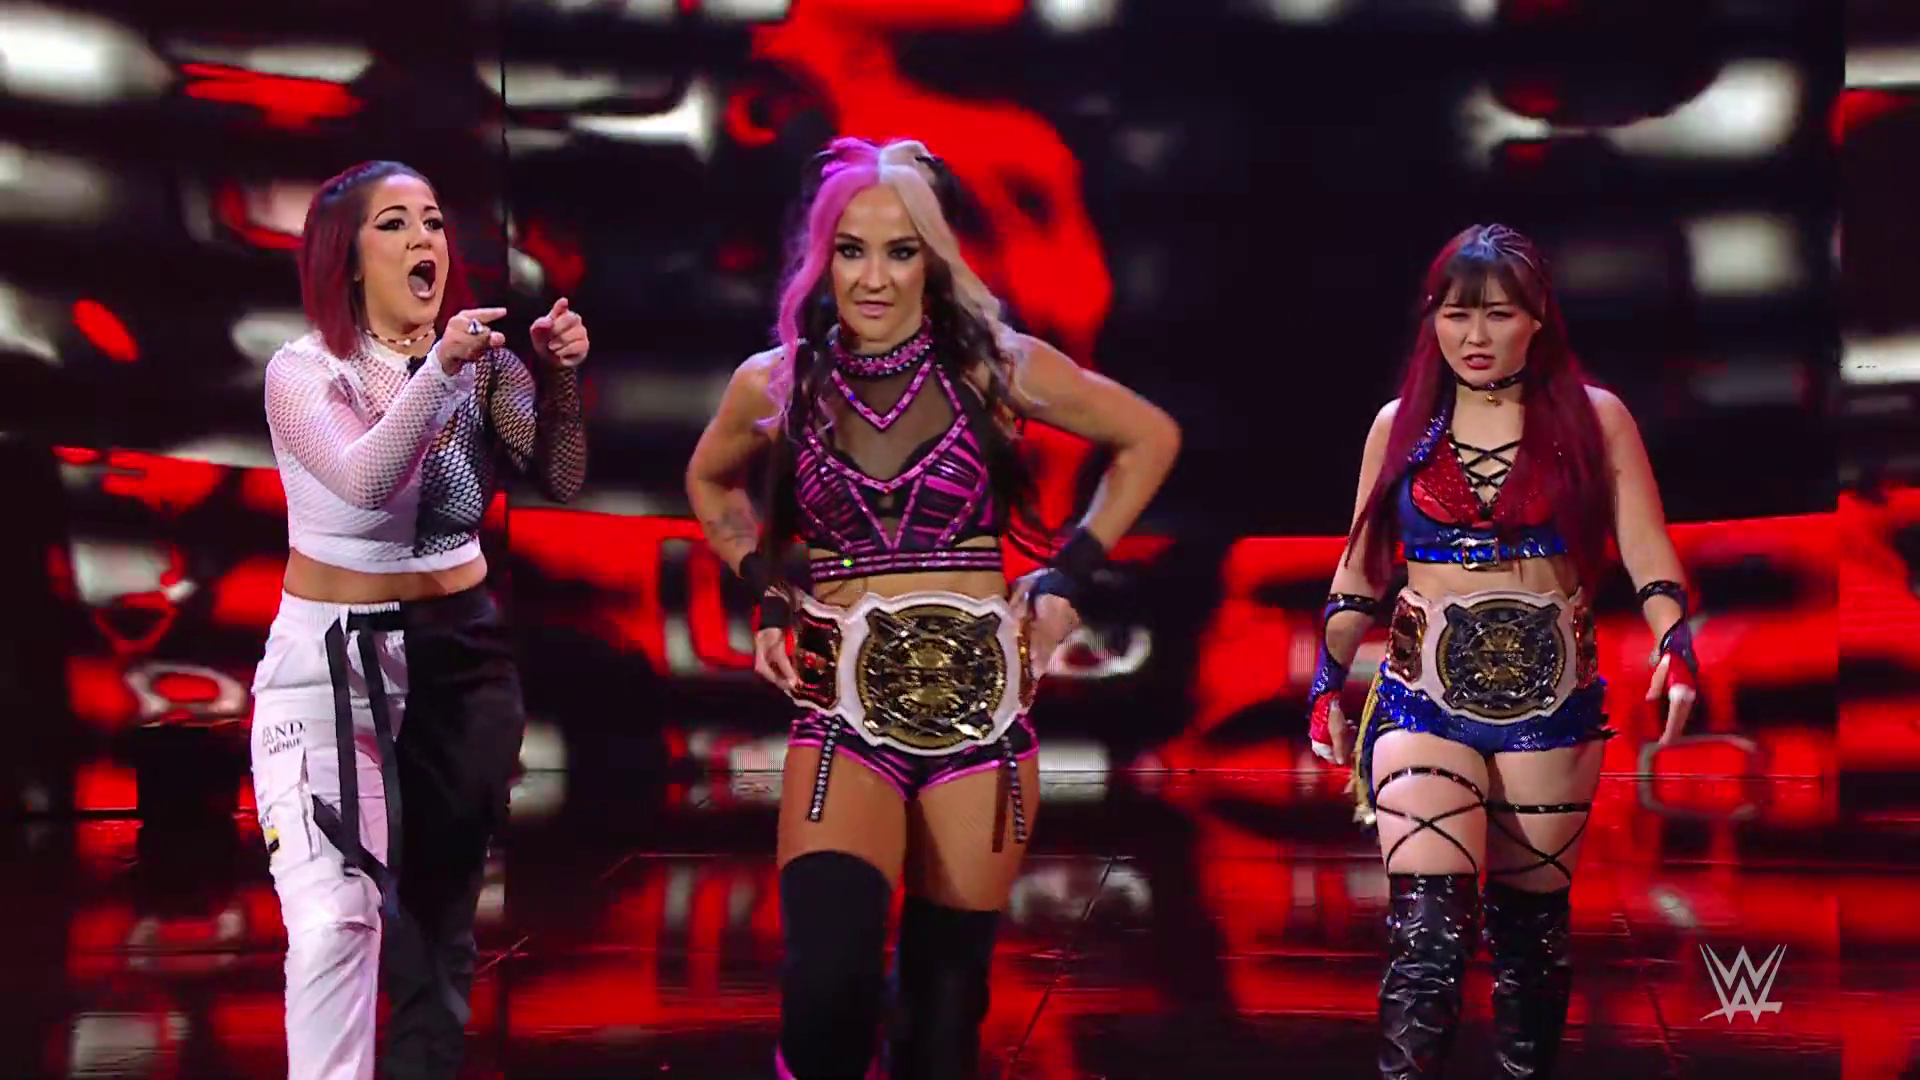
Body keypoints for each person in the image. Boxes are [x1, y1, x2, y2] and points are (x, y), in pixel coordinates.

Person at [686, 136, 1179, 1079]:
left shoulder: (996, 369)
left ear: (934, 260)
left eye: (900, 251)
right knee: (826, 997)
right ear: (822, 259)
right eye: (852, 251)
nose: (874, 277)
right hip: (841, 720)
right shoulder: (776, 382)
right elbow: (711, 483)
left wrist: (1066, 580)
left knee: (940, 1027)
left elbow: (1147, 437)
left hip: (979, 727)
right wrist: (770, 590)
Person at [1307, 224, 1698, 1079]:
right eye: (1456, 315)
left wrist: (1675, 643)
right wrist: (1326, 679)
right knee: (1426, 940)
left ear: (1538, 319)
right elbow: (1359, 571)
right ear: (1432, 322)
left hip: (1551, 705)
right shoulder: (1400, 426)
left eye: (1497, 314)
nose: (1474, 336)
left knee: (1531, 939)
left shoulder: (1595, 419)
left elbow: (1647, 550)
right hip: (1419, 699)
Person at [248, 159, 589, 1080]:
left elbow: (559, 476)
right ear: (349, 259)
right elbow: (364, 482)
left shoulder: (486, 367)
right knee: (338, 915)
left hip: (461, 656)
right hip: (333, 662)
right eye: (394, 224)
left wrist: (559, 380)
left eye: (432, 221)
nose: (422, 240)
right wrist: (438, 373)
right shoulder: (304, 372)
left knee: (440, 925)